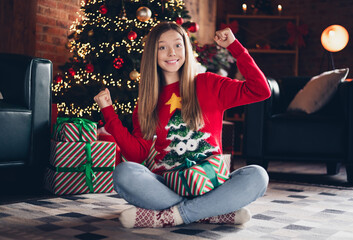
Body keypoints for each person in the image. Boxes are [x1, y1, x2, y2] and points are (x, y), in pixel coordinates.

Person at [94, 22, 271, 228]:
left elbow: (260, 90)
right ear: (153, 53)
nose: (171, 53)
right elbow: (137, 155)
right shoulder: (147, 101)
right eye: (162, 47)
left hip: (210, 184)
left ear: (186, 49)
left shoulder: (209, 84)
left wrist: (235, 47)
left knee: (257, 176)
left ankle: (175, 215)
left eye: (178, 45)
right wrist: (108, 112)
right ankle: (212, 212)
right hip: (168, 187)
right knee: (124, 173)